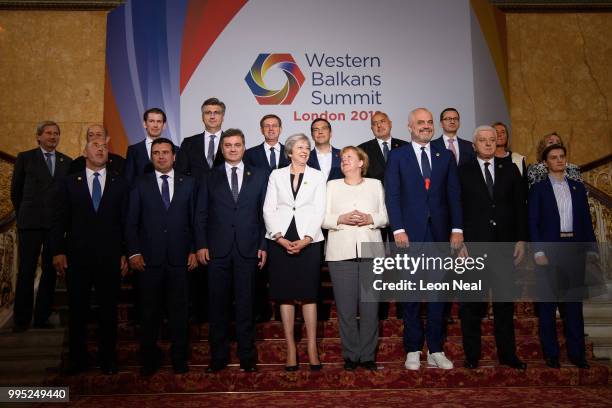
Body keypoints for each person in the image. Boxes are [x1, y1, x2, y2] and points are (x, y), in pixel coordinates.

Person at [385, 107, 463, 370]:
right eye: (420, 123)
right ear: (409, 127)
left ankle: (436, 349)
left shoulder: (445, 156)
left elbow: (454, 195)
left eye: (429, 122)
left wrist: (457, 229)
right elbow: (392, 195)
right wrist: (397, 229)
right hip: (409, 236)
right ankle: (413, 349)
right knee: (410, 295)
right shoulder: (398, 156)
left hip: (439, 236)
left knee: (438, 295)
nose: (426, 126)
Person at [51, 134, 129, 375]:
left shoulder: (119, 182)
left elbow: (126, 222)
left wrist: (126, 253)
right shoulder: (69, 182)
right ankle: (77, 359)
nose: (100, 149)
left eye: (104, 147)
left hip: (110, 258)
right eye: (95, 146)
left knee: (108, 311)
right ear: (85, 152)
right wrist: (58, 251)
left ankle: (108, 359)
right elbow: (58, 220)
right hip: (77, 257)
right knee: (78, 311)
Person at [195, 129, 268, 373]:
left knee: (246, 305)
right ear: (222, 149)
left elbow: (263, 215)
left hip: (248, 249)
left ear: (244, 147)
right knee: (217, 306)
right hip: (217, 251)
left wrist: (262, 245)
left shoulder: (259, 175)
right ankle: (219, 356)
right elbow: (201, 213)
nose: (233, 149)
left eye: (237, 144)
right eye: (228, 145)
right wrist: (201, 244)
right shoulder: (209, 176)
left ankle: (247, 357)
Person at [126, 137, 198, 376]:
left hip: (180, 259)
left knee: (179, 312)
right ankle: (149, 358)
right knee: (149, 312)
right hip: (148, 260)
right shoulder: (139, 183)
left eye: (165, 152)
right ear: (151, 156)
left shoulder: (189, 183)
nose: (161, 156)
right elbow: (131, 222)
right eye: (156, 152)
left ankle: (179, 358)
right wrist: (134, 252)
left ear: (174, 156)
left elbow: (195, 221)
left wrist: (194, 249)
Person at [458, 125, 527, 370]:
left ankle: (508, 355)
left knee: (504, 304)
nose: (488, 144)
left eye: (492, 140)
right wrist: (459, 241)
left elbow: (520, 207)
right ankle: (472, 356)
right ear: (474, 145)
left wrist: (521, 239)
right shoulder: (462, 171)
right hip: (472, 247)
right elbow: (457, 208)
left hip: (504, 246)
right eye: (483, 140)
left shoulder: (510, 170)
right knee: (471, 304)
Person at [263, 133, 327, 371]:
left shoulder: (318, 176)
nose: (305, 150)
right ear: (289, 152)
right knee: (285, 294)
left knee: (309, 293)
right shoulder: (276, 174)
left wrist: (307, 239)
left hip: (309, 239)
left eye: (307, 148)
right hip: (280, 238)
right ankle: (290, 347)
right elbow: (268, 208)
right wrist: (278, 237)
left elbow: (320, 209)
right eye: (300, 147)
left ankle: (311, 347)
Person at [529, 143, 595, 369]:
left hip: (574, 249)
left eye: (562, 156)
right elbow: (533, 223)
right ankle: (551, 354)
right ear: (545, 162)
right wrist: (537, 250)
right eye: (554, 157)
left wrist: (591, 251)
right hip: (549, 251)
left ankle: (577, 354)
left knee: (574, 306)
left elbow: (586, 221)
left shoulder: (577, 187)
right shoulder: (538, 189)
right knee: (548, 305)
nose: (559, 160)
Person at [322, 146, 388, 371]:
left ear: (361, 163)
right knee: (346, 310)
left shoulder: (375, 185)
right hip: (340, 254)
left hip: (371, 254)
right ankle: (351, 355)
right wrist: (341, 218)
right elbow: (323, 218)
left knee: (370, 309)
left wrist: (370, 218)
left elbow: (385, 216)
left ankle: (368, 356)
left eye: (349, 157)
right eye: (342, 158)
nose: (344, 161)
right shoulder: (332, 186)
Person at [11, 121, 72, 332]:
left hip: (55, 226)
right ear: (38, 137)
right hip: (31, 224)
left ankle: (42, 317)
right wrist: (24, 215)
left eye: (56, 134)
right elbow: (16, 192)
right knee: (26, 271)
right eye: (48, 133)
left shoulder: (67, 161)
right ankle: (21, 319)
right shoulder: (25, 158)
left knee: (50, 272)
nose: (52, 137)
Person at [125, 108, 177, 185]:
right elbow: (128, 180)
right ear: (145, 124)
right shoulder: (134, 150)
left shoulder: (176, 149)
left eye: (159, 121)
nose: (155, 125)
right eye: (151, 121)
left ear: (164, 125)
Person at [176, 97, 225, 178]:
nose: (212, 116)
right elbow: (180, 174)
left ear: (222, 117)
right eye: (208, 112)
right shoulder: (188, 143)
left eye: (216, 113)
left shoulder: (232, 143)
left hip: (224, 190)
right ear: (202, 117)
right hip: (195, 190)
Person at [358, 111, 408, 183]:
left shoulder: (405, 147)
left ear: (390, 124)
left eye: (382, 121)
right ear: (372, 128)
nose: (379, 125)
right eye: (375, 123)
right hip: (375, 192)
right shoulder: (362, 150)